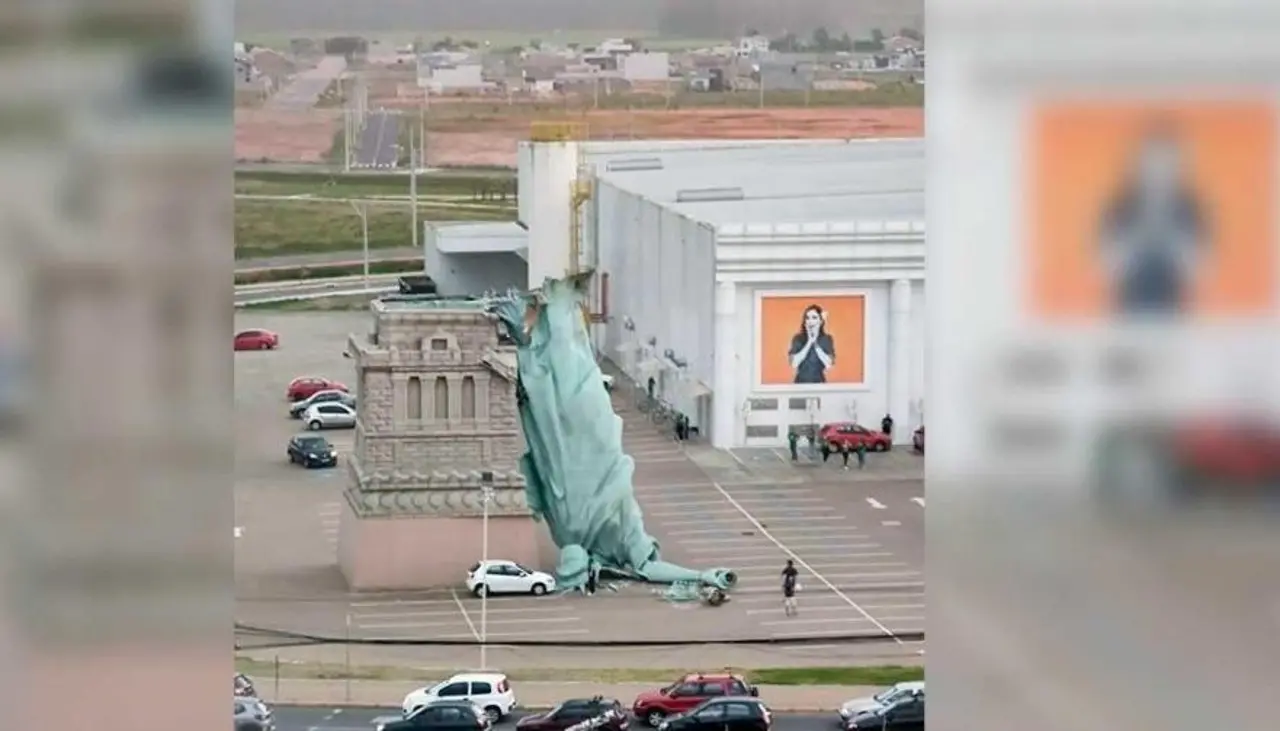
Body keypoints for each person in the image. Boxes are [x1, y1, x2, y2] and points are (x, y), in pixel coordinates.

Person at [1099, 121, 1206, 316]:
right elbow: (1107, 266)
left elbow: (1200, 268)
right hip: (1128, 312)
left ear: (1178, 165)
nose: (1159, 170)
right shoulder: (1121, 204)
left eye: (1166, 162)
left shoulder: (1188, 206)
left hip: (1175, 313)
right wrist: (1139, 233)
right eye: (1153, 161)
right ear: (1139, 163)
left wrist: (1169, 232)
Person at [787, 304, 836, 384]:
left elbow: (829, 364)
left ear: (820, 321)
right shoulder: (798, 338)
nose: (810, 321)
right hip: (800, 383)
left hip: (819, 382)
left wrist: (815, 344)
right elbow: (794, 364)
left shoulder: (826, 339)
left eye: (814, 317)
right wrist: (809, 342)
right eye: (807, 318)